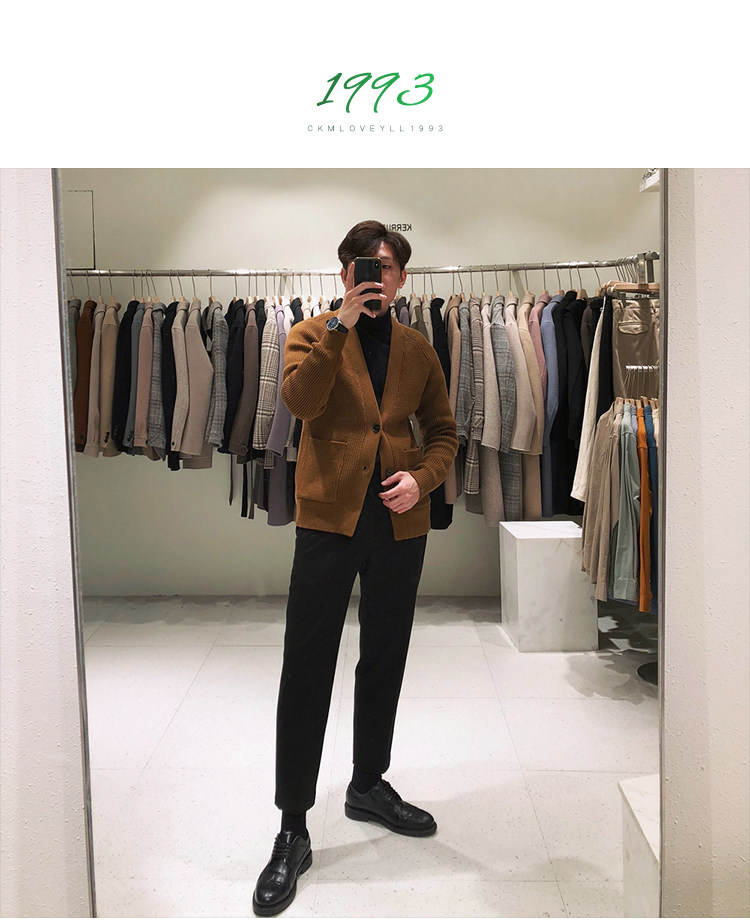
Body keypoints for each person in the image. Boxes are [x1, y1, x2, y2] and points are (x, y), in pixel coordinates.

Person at [252, 220, 458, 917]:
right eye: (365, 266)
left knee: (385, 656)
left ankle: (368, 783)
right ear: (345, 273)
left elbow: (444, 432)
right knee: (306, 664)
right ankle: (292, 825)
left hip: (400, 522)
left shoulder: (418, 348)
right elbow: (300, 404)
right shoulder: (311, 335)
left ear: (401, 278)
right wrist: (341, 325)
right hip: (328, 522)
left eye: (388, 266)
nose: (378, 277)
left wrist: (422, 479)